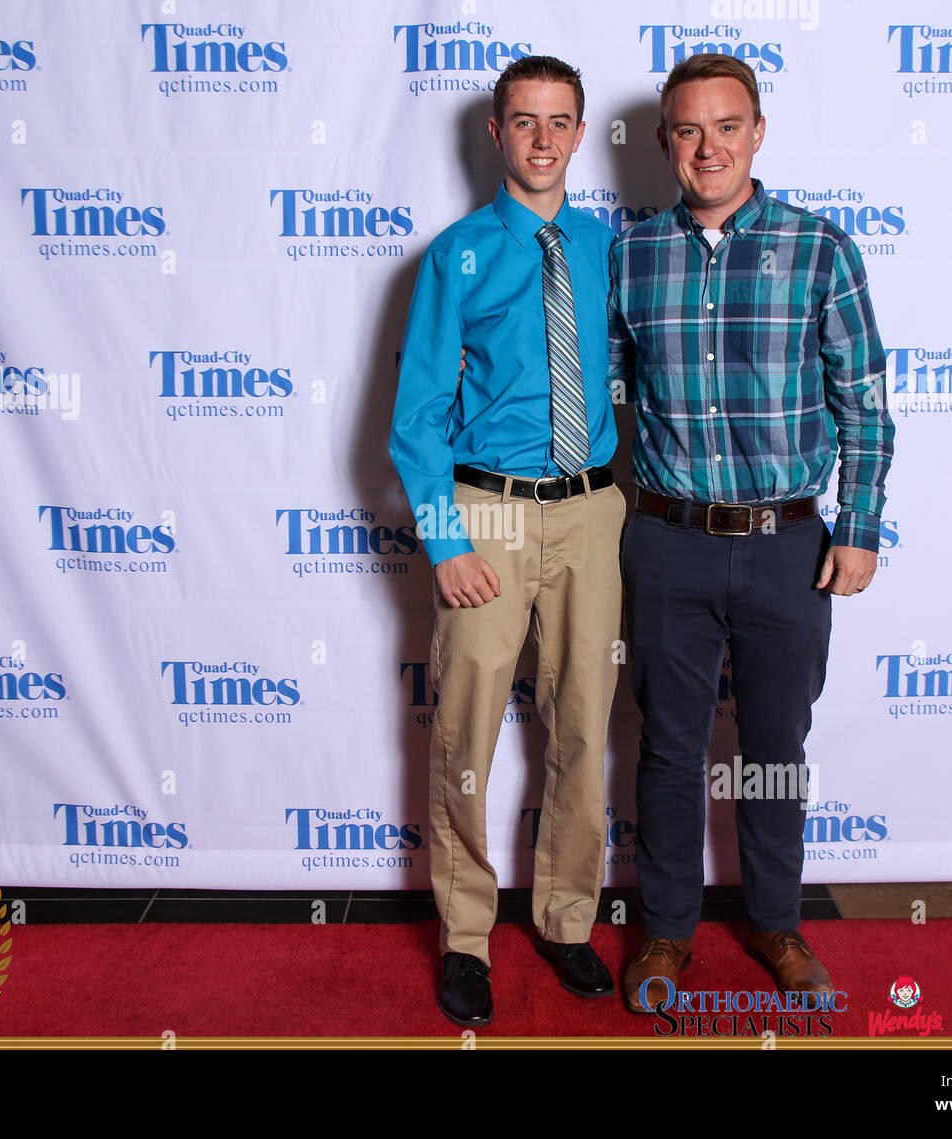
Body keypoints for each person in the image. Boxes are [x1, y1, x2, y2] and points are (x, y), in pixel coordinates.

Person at [609, 53, 895, 1012]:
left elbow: (866, 405)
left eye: (726, 126)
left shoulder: (821, 250)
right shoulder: (633, 252)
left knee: (775, 744)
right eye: (688, 130)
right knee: (666, 749)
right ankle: (665, 935)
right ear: (665, 144)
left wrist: (858, 527)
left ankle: (778, 924)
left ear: (759, 132)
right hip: (669, 541)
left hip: (788, 545)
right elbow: (612, 400)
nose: (708, 147)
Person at [389, 55, 625, 1027]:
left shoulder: (609, 247)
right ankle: (465, 933)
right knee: (469, 731)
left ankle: (566, 915)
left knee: (581, 722)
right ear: (495, 133)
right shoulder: (458, 253)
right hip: (484, 510)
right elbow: (416, 416)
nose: (540, 139)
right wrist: (445, 539)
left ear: (579, 134)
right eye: (522, 121)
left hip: (592, 507)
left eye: (558, 121)